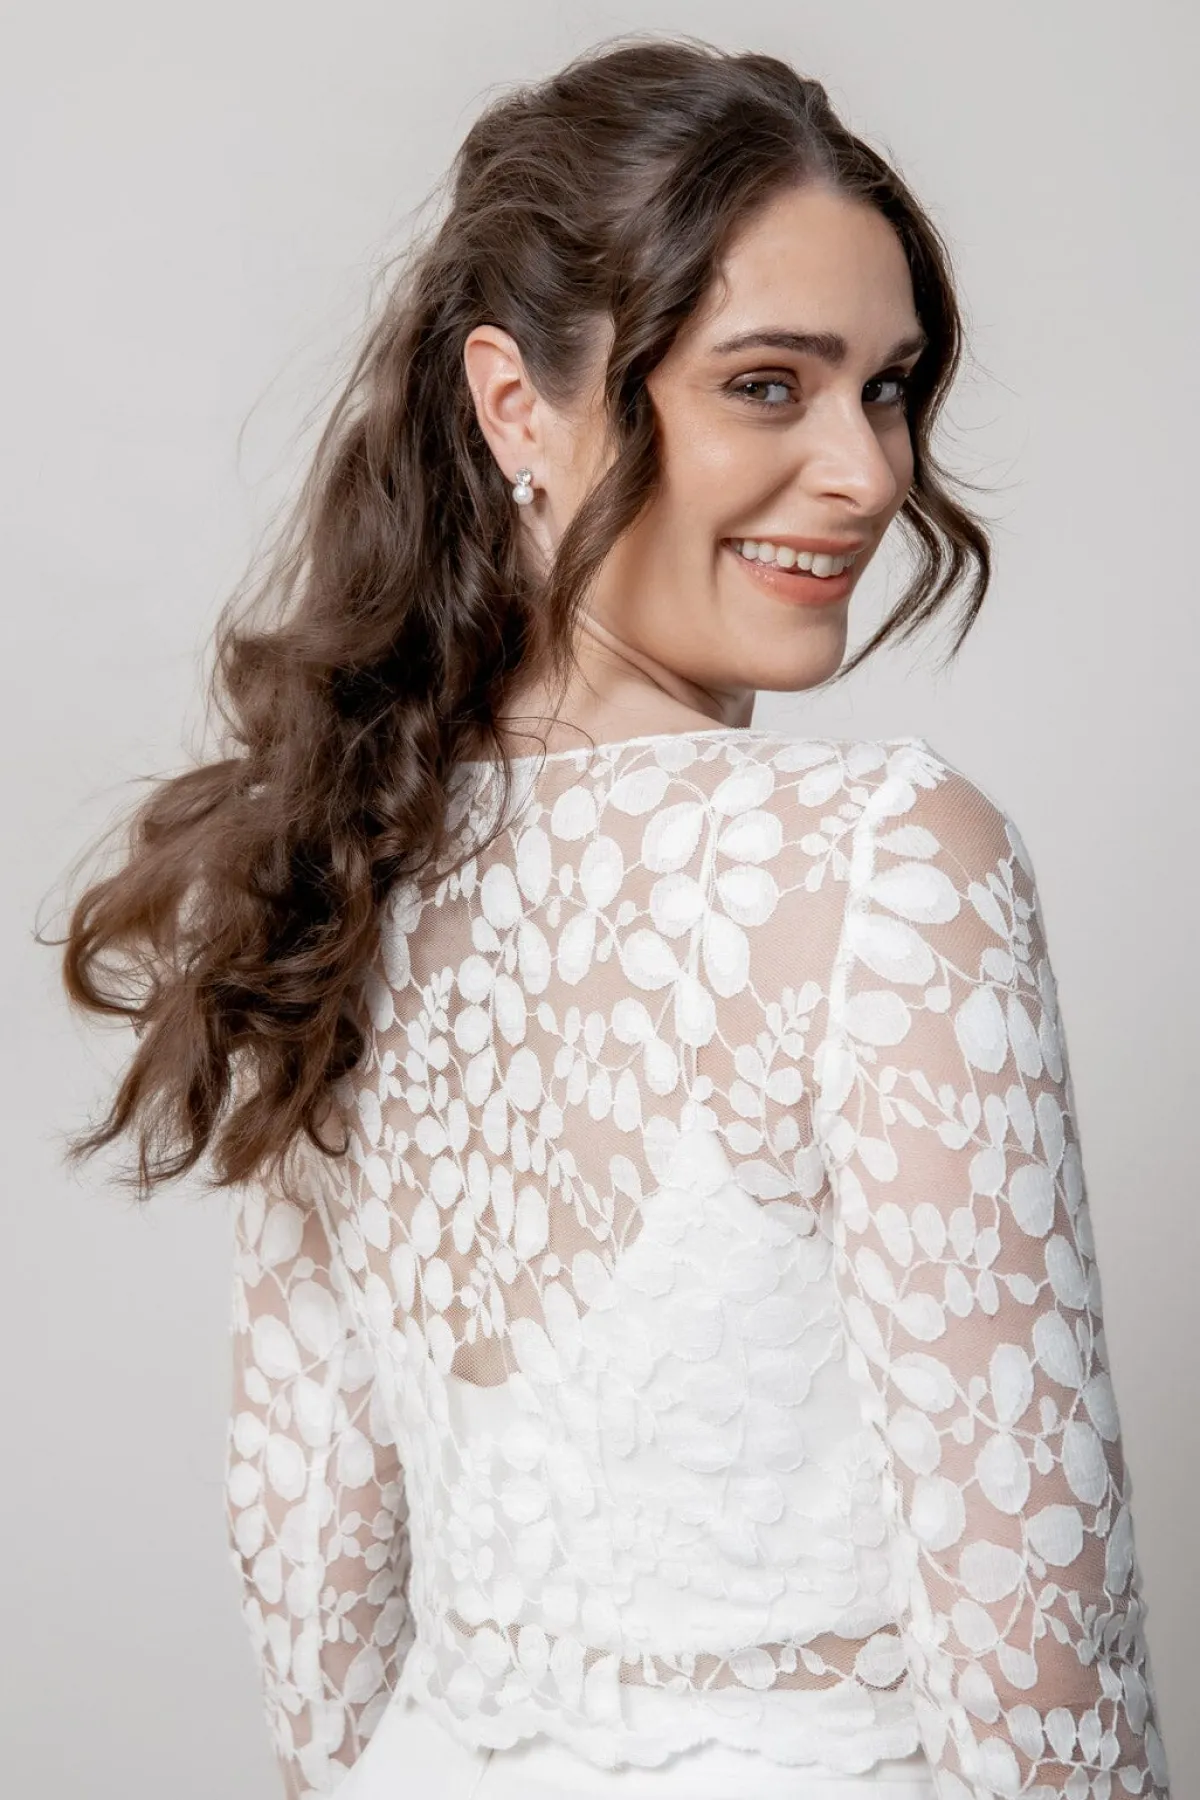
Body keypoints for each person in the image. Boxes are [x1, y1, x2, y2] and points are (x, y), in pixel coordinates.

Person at [55, 34, 1171, 1800]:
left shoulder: (329, 871)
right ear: (515, 406)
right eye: (767, 385)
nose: (868, 473)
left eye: (886, 388)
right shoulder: (890, 861)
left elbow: (309, 1579)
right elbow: (1042, 1671)